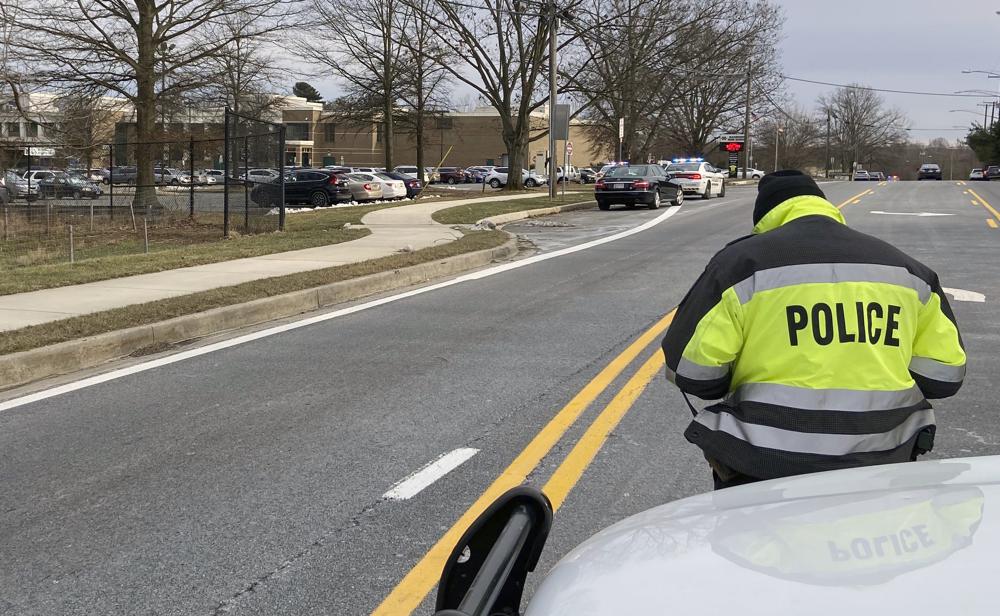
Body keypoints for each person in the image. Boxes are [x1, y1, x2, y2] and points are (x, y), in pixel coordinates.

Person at [661, 170, 966, 490]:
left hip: (764, 463)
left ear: (765, 217)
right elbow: (943, 377)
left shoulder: (739, 265)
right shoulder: (908, 270)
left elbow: (692, 373)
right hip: (885, 457)